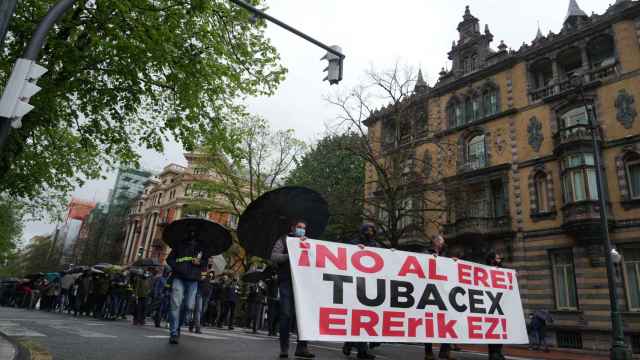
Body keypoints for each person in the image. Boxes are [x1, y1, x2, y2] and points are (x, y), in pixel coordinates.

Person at [270, 219, 315, 359]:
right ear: (293, 228)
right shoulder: (284, 240)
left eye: (304, 228)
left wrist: (307, 246)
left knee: (304, 316)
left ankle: (302, 347)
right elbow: (274, 256)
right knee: (286, 314)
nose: (302, 230)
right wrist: (290, 255)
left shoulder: (308, 242)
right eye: (299, 227)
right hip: (287, 282)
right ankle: (284, 348)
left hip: (303, 284)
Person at [166, 228, 209, 345]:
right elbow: (169, 259)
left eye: (195, 232)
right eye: (190, 231)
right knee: (175, 304)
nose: (192, 233)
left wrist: (199, 263)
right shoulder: (179, 244)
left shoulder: (202, 247)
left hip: (193, 280)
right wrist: (178, 267)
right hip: (178, 277)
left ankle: (178, 327)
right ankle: (174, 333)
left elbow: (205, 262)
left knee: (189, 306)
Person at [343, 224, 379, 360]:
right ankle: (361, 351)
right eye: (368, 230)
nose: (370, 232)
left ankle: (350, 343)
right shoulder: (354, 242)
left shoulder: (375, 245)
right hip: (356, 285)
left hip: (370, 286)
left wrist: (391, 253)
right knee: (360, 317)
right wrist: (356, 249)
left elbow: (385, 257)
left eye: (372, 230)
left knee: (365, 317)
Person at [424, 235, 454, 360]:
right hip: (429, 292)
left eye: (443, 241)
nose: (442, 243)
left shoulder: (446, 255)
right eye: (440, 240)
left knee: (448, 322)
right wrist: (430, 259)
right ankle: (428, 352)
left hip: (443, 292)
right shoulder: (425, 252)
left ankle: (445, 351)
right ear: (434, 241)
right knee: (429, 324)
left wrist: (454, 262)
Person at [486, 251, 506, 360]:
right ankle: (493, 353)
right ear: (492, 259)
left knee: (500, 329)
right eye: (497, 258)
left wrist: (513, 274)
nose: (500, 260)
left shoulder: (502, 269)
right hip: (491, 304)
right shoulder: (485, 269)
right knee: (492, 329)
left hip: (501, 304)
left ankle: (498, 351)